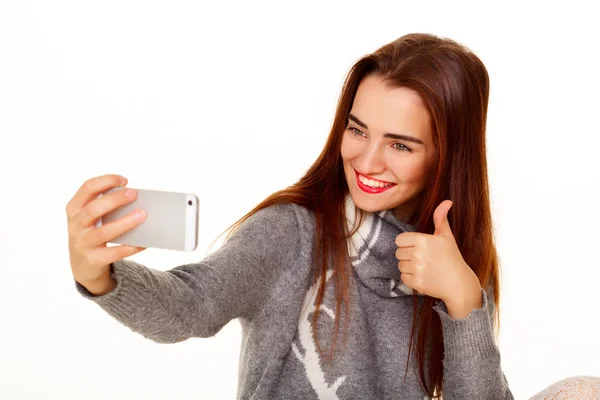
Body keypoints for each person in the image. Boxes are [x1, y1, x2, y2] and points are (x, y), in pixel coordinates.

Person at [67, 33, 514, 399]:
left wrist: (463, 298)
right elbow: (192, 307)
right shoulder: (293, 231)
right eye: (356, 130)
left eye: (399, 144)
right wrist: (101, 275)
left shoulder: (456, 260)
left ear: (447, 158)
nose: (366, 160)